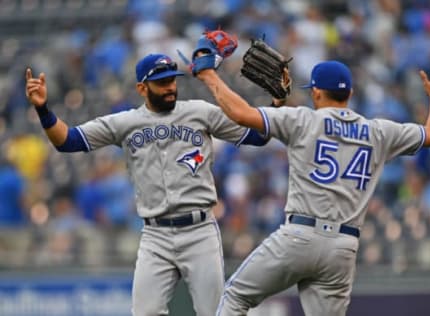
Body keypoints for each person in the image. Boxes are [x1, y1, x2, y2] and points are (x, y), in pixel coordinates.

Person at [25, 52, 272, 316]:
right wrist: (43, 110)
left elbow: (257, 136)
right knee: (144, 312)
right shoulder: (126, 122)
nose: (170, 87)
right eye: (162, 82)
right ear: (142, 88)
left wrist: (275, 105)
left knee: (214, 312)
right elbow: (68, 141)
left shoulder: (200, 112)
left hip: (200, 230)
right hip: (156, 235)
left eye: (172, 81)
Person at [195, 59, 430, 315]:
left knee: (236, 295)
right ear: (349, 93)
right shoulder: (378, 131)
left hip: (300, 236)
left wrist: (209, 75)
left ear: (316, 92)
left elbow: (241, 114)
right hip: (343, 247)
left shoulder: (303, 120)